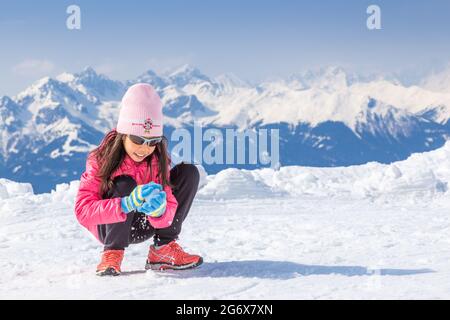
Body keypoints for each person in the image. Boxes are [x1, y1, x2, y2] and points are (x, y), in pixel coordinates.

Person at [74, 83, 202, 276]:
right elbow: (83, 212)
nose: (144, 148)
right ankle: (112, 253)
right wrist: (126, 204)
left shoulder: (158, 161)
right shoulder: (100, 160)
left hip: (145, 223)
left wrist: (160, 211)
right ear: (123, 134)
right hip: (109, 227)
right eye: (138, 139)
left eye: (152, 142)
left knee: (189, 172)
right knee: (124, 182)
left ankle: (163, 250)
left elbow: (169, 204)